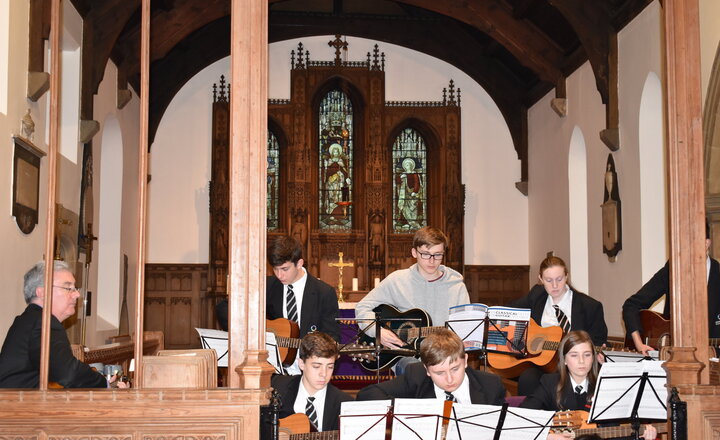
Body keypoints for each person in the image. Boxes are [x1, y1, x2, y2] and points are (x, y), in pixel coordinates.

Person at [354, 226, 470, 372]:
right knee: (416, 371)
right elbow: (362, 307)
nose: (432, 261)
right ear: (414, 252)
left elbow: (467, 328)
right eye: (426, 254)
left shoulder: (457, 286)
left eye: (438, 255)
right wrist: (378, 331)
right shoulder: (397, 280)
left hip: (445, 357)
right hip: (406, 357)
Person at [0, 261, 125, 388]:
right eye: (68, 288)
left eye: (75, 288)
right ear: (42, 293)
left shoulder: (31, 319)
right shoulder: (43, 323)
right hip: (18, 405)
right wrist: (104, 384)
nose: (77, 295)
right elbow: (68, 373)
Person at [521, 331, 657, 440]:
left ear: (593, 358)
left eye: (587, 355)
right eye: (574, 355)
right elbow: (521, 417)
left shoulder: (604, 386)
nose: (581, 361)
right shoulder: (549, 383)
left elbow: (614, 430)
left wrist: (641, 435)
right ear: (565, 360)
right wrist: (547, 436)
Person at [509, 256, 608, 396]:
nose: (554, 285)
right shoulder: (536, 296)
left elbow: (598, 340)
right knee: (528, 378)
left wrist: (599, 352)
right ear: (541, 279)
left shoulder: (590, 306)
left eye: (559, 279)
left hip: (575, 364)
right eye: (548, 280)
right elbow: (509, 312)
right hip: (543, 364)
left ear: (566, 276)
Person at [217, 236, 340, 342]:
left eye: (284, 269)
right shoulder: (267, 286)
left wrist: (313, 355)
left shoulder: (324, 293)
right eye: (275, 269)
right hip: (272, 366)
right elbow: (224, 307)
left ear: (299, 263)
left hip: (307, 366)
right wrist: (251, 332)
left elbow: (332, 337)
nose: (279, 275)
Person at [622, 222, 720, 354]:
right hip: (671, 360)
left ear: (706, 244)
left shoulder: (717, 274)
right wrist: (639, 344)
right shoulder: (672, 269)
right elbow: (631, 306)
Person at [356, 328, 506, 404]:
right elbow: (366, 394)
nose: (449, 379)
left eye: (455, 369)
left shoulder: (491, 385)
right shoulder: (416, 377)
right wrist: (408, 410)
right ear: (427, 370)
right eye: (439, 373)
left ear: (465, 360)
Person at [265, 332, 353, 435]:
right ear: (301, 364)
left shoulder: (345, 404)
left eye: (330, 367)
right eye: (316, 366)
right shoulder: (277, 387)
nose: (324, 374)